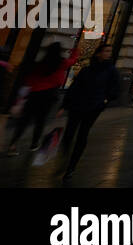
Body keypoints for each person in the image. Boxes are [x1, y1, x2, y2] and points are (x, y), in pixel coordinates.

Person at [59, 42, 121, 182]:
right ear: (98, 53)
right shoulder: (87, 69)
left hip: (93, 107)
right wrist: (64, 104)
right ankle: (65, 155)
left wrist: (105, 101)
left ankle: (71, 166)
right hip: (77, 105)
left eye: (109, 51)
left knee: (82, 134)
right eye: (106, 51)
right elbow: (75, 87)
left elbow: (115, 90)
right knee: (69, 133)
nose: (108, 54)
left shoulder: (111, 71)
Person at [6, 40, 79, 155]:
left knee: (25, 120)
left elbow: (30, 79)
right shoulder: (62, 63)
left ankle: (13, 145)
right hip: (48, 96)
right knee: (41, 120)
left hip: (34, 94)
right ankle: (34, 144)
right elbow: (73, 60)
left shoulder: (40, 63)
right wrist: (75, 51)